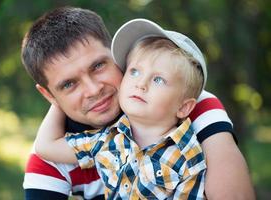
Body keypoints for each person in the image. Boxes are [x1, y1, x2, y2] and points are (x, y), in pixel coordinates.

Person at [21, 6, 255, 200]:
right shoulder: (60, 154)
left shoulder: (191, 106)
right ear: (49, 95)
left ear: (115, 54)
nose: (94, 90)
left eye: (98, 66)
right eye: (68, 84)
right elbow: (46, 147)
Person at [35, 19, 208, 199]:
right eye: (134, 72)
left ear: (184, 107)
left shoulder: (188, 157)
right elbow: (46, 146)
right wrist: (57, 100)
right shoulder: (107, 140)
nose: (140, 84)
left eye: (158, 80)